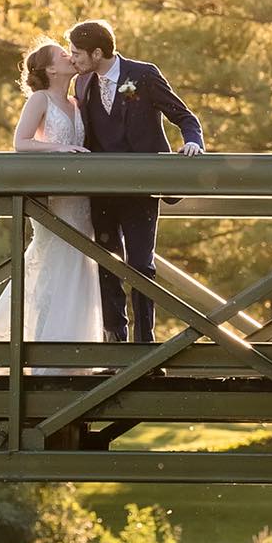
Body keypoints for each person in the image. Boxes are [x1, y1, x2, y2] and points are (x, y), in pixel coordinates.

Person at [0, 42, 102, 370]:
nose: (70, 56)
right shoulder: (41, 100)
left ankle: (75, 360)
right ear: (51, 69)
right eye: (63, 55)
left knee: (80, 269)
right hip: (53, 204)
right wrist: (60, 148)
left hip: (80, 201)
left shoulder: (75, 101)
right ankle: (44, 361)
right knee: (53, 270)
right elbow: (21, 143)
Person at [67, 19, 203, 344]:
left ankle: (145, 347)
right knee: (105, 264)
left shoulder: (143, 75)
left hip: (142, 191)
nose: (73, 59)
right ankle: (116, 344)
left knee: (141, 266)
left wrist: (193, 141)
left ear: (97, 52)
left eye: (77, 53)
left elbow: (184, 116)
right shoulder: (82, 82)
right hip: (101, 190)